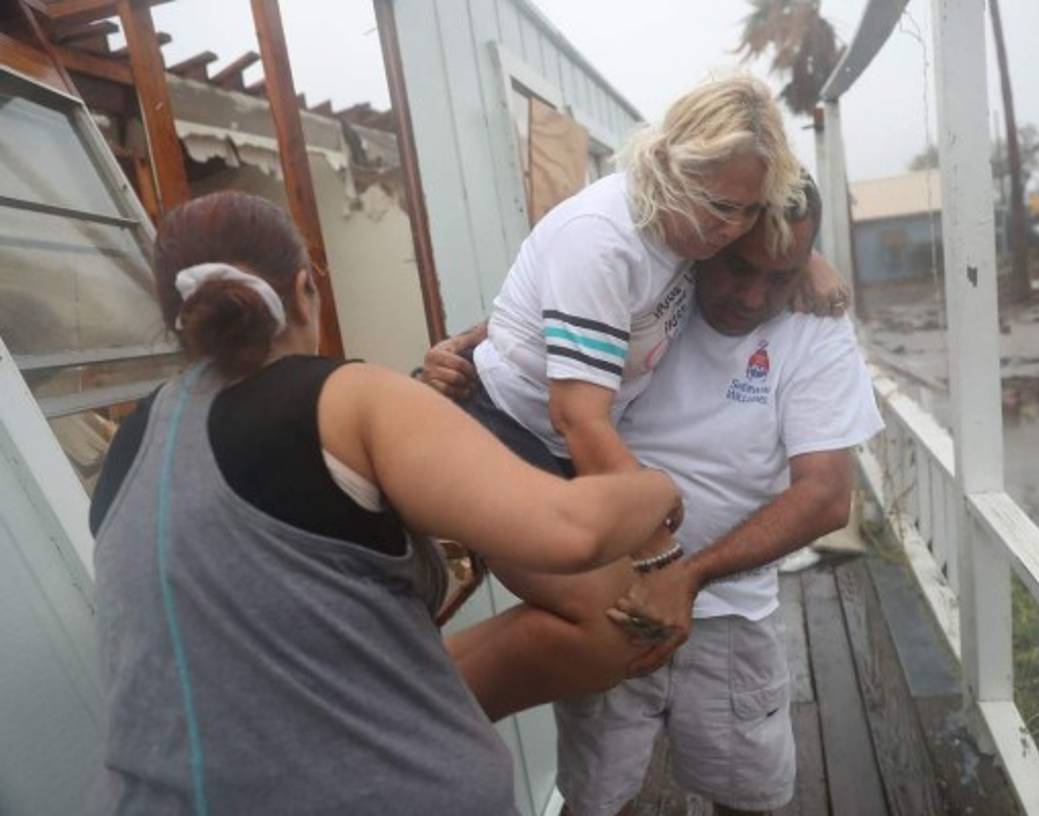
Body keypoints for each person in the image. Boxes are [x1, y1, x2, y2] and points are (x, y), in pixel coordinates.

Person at [87, 191, 680, 814]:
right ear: (305, 288)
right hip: (383, 798)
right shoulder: (346, 399)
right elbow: (573, 531)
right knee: (614, 622)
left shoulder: (130, 444)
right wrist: (658, 488)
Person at [432, 74, 803, 717]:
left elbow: (774, 220)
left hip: (555, 453)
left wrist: (809, 265)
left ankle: (425, 709)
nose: (732, 228)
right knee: (615, 630)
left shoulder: (686, 226)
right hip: (499, 435)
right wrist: (659, 553)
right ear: (667, 162)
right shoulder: (606, 239)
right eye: (720, 207)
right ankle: (412, 719)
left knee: (625, 632)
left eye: (749, 211)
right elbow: (577, 415)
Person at [554, 176, 883, 816]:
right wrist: (470, 347)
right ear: (709, 238)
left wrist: (690, 576)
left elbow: (825, 496)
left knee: (748, 799)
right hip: (608, 599)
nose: (753, 296)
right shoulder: (646, 286)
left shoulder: (814, 327)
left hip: (733, 614)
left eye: (782, 275)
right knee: (594, 802)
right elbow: (553, 316)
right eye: (738, 267)